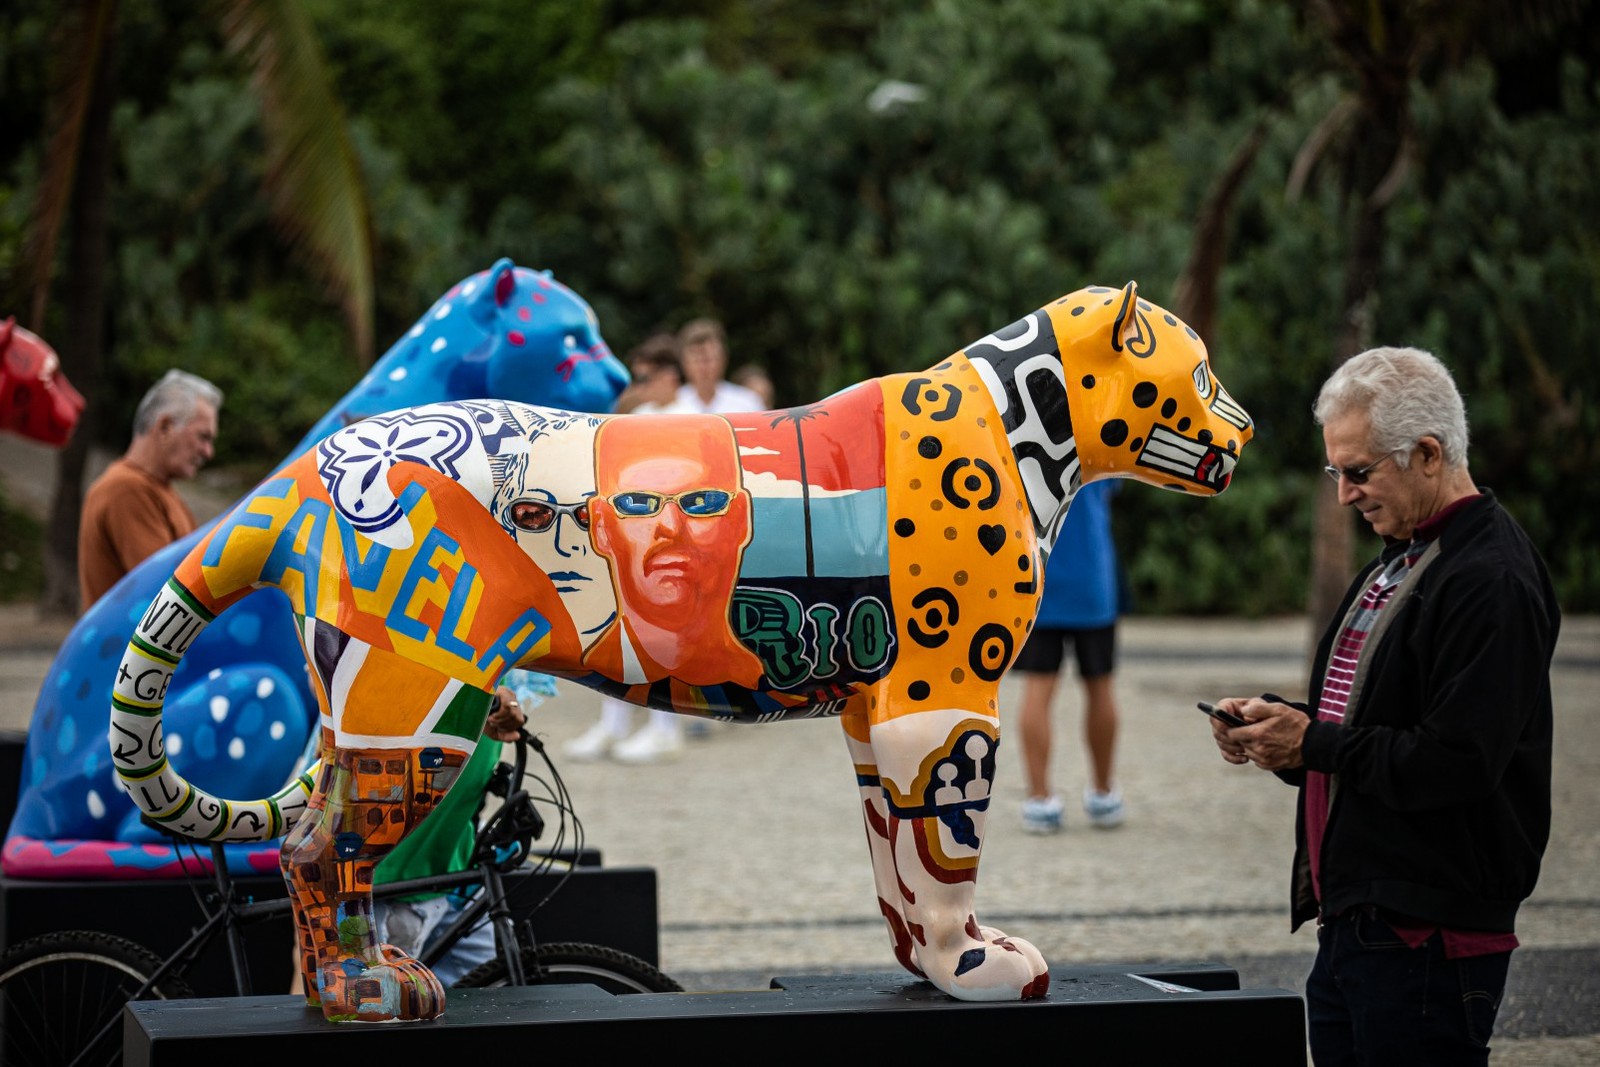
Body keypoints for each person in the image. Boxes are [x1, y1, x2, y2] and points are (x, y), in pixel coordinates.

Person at [1205, 346, 1559, 1065]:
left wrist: (1314, 744)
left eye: (1359, 471)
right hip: (1363, 922)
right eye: (1336, 471)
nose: (1343, 494)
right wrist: (1281, 729)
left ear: (1429, 454)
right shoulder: (1405, 551)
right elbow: (1373, 724)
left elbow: (1457, 761)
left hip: (1426, 935)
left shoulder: (1488, 576)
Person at [583, 413, 763, 690]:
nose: (670, 526)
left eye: (701, 501)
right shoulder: (588, 667)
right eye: (638, 503)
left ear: (742, 519)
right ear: (601, 527)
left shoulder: (764, 680)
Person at [1011, 479, 1125, 833]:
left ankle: (1039, 799)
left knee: (1037, 689)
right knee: (1100, 686)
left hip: (1038, 577)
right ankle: (1103, 794)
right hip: (1092, 578)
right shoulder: (1102, 434)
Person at [78, 368, 222, 608]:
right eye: (203, 437)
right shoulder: (126, 489)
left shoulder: (157, 489)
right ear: (165, 427)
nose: (209, 452)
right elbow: (171, 598)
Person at [675, 318, 764, 414]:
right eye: (697, 361)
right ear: (684, 363)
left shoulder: (748, 403)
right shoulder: (671, 405)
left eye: (708, 360)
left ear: (723, 359)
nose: (703, 368)